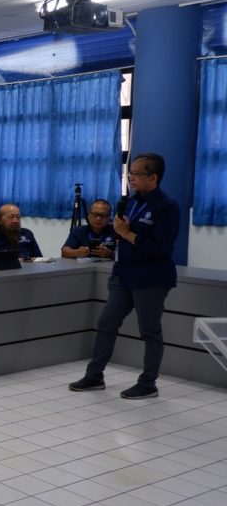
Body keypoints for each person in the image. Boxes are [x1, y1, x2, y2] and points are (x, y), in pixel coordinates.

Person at [70, 154, 180, 399]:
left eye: (137, 174)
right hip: (124, 275)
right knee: (106, 323)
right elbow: (122, 238)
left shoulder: (166, 206)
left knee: (150, 330)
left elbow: (160, 248)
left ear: (153, 177)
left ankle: (148, 382)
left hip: (150, 277)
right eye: (129, 173)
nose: (131, 178)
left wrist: (126, 233)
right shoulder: (130, 202)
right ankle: (94, 376)